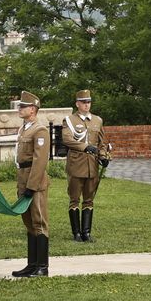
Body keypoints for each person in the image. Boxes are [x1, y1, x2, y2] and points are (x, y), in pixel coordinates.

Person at [11, 91, 50, 278]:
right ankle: (32, 264)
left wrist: (32, 186)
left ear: (33, 109)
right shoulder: (24, 128)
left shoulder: (40, 129)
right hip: (23, 177)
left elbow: (40, 161)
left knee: (39, 221)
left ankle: (42, 266)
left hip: (35, 181)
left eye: (23, 106)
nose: (20, 109)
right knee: (28, 222)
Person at [62, 89, 106, 242]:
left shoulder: (97, 120)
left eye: (89, 102)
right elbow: (67, 140)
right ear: (77, 104)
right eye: (83, 102)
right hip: (76, 165)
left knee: (89, 199)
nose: (87, 105)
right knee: (74, 199)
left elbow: (102, 143)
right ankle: (76, 233)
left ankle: (86, 233)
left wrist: (103, 156)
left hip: (92, 166)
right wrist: (85, 147)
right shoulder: (69, 120)